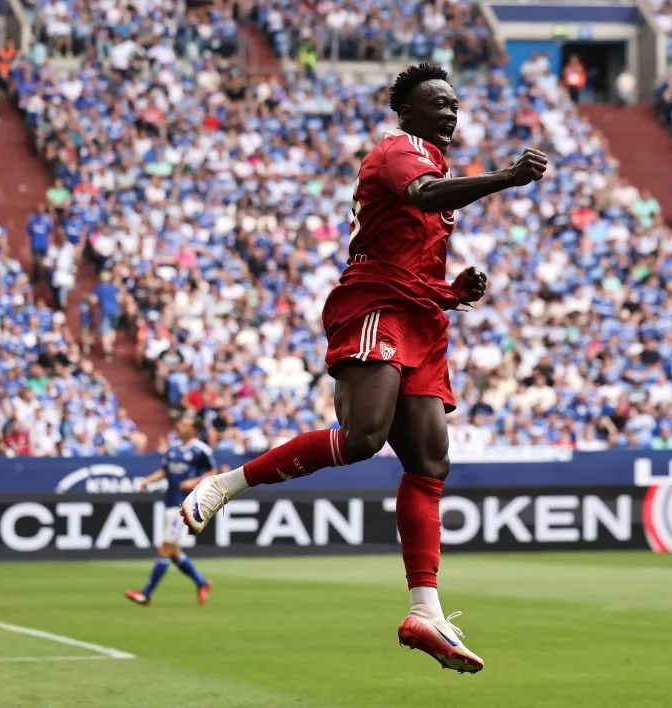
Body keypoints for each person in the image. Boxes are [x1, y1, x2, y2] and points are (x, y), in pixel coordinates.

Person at [180, 63, 548, 674]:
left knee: (431, 463)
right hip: (376, 304)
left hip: (424, 316)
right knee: (362, 439)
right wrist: (507, 178)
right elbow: (421, 199)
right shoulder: (397, 152)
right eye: (437, 102)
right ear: (405, 113)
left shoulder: (432, 164)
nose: (451, 111)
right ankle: (226, 484)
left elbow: (419, 249)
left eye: (455, 103)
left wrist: (454, 290)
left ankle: (424, 610)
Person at [125, 413, 215, 607]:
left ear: (193, 430)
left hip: (185, 505)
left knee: (165, 548)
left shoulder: (201, 450)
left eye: (185, 423)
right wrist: (147, 481)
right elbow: (165, 471)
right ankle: (202, 583)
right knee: (174, 552)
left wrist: (193, 482)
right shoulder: (173, 449)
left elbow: (212, 474)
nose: (180, 425)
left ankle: (146, 594)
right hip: (170, 501)